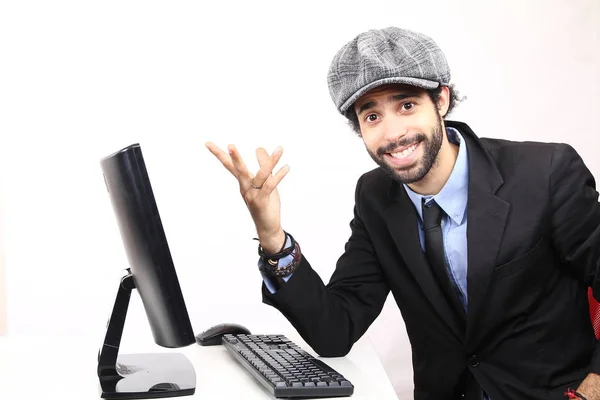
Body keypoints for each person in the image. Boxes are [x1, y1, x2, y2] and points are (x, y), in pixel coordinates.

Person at [205, 26, 600, 400]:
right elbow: (334, 330)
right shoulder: (376, 196)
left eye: (407, 105)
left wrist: (594, 386)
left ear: (441, 100)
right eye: (372, 116)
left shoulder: (544, 172)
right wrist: (273, 238)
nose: (392, 134)